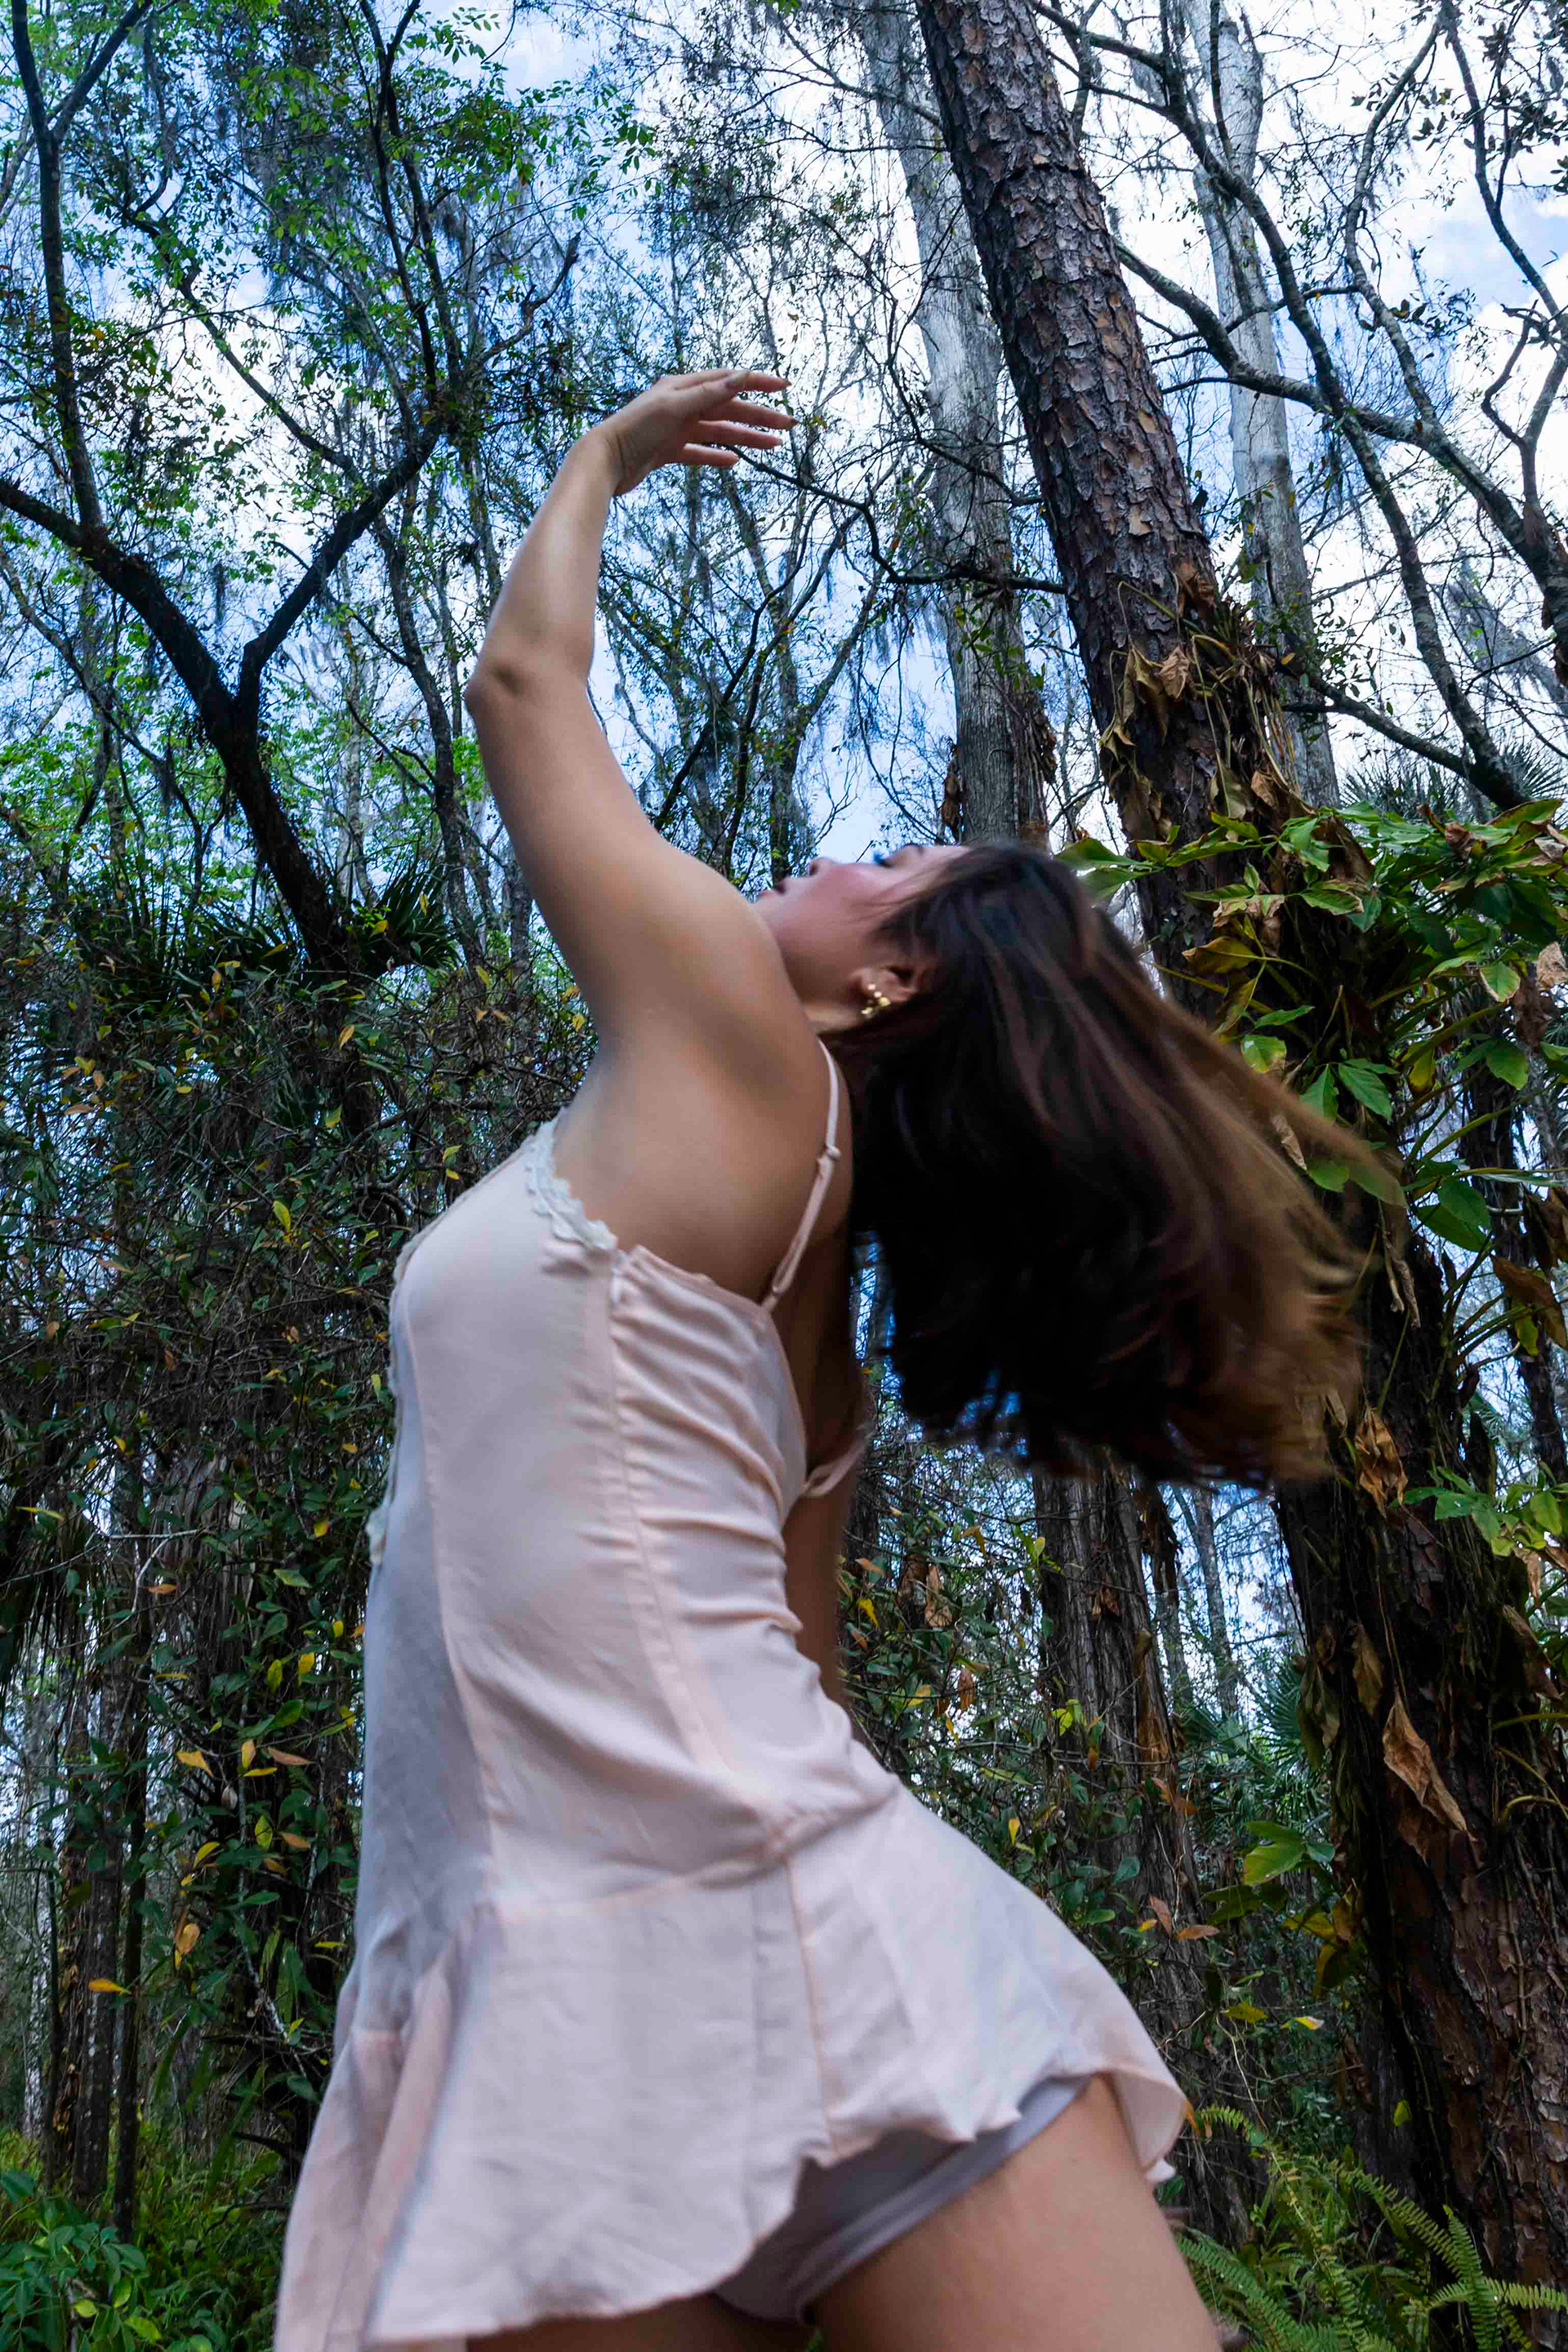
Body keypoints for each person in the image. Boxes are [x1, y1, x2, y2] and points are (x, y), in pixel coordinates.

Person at [275, 372, 1367, 2352]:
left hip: (744, 1973)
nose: (842, 857)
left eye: (895, 866)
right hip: (570, 2024)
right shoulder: (814, 1354)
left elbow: (524, 686)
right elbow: (815, 1678)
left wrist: (602, 459)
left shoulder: (744, 1051)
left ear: (889, 980)